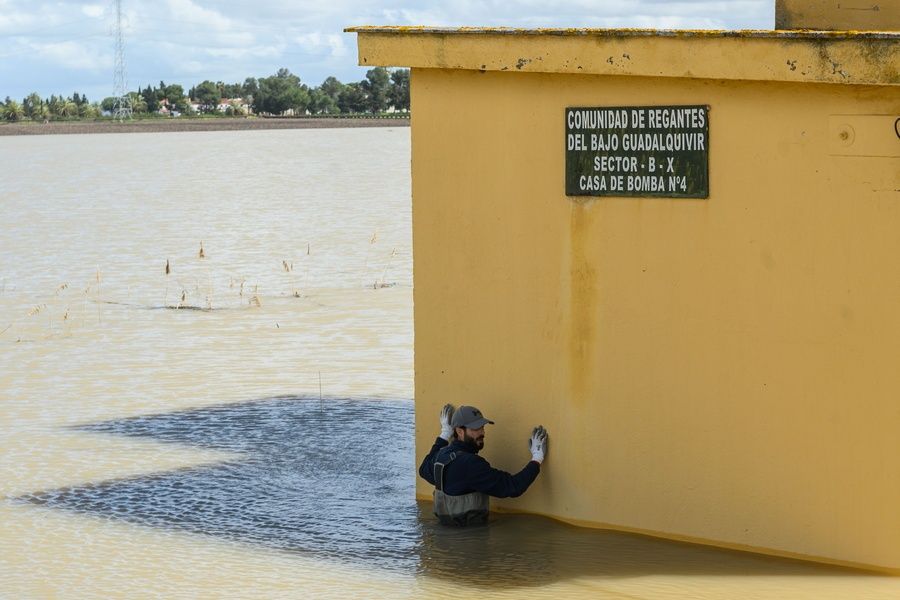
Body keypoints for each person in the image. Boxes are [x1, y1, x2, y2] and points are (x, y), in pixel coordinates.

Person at [418, 403, 548, 526]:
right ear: (459, 431)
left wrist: (444, 434)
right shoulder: (471, 464)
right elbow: (512, 487)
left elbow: (423, 469)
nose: (483, 433)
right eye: (476, 428)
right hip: (471, 540)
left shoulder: (441, 456)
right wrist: (537, 458)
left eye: (482, 427)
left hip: (443, 540)